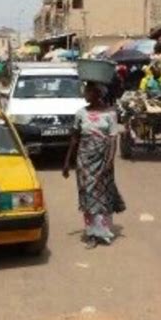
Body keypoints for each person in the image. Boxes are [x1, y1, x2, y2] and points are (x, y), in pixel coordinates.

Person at [63, 81, 125, 249]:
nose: (85, 95)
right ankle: (91, 233)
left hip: (103, 159)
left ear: (98, 93)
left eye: (88, 92)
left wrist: (109, 162)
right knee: (87, 194)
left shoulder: (110, 114)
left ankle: (102, 232)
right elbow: (75, 138)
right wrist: (67, 162)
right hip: (84, 161)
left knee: (102, 195)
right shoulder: (80, 113)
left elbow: (113, 140)